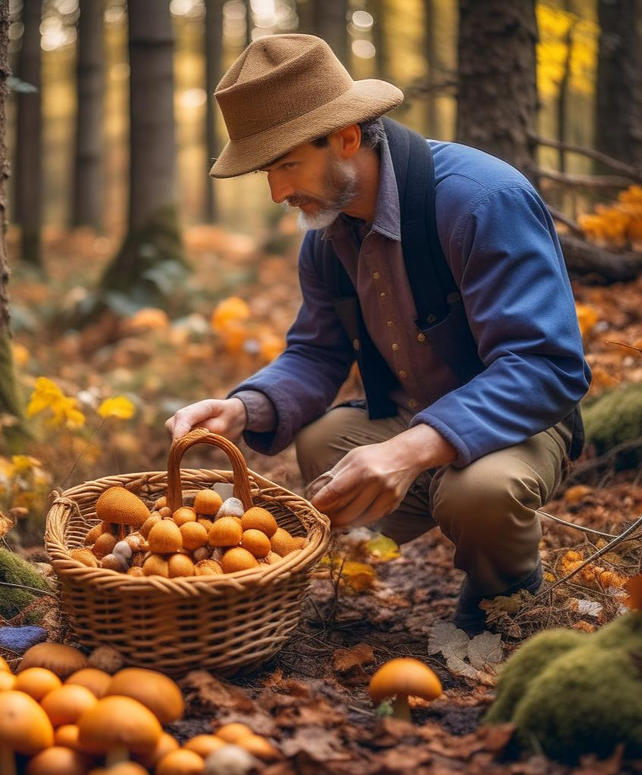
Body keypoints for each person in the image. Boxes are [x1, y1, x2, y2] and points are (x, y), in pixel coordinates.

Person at [166, 34, 590, 635]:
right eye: (269, 170)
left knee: (480, 493)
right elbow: (316, 351)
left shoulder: (479, 201)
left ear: (347, 137)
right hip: (414, 416)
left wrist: (409, 449)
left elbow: (547, 367)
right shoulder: (327, 236)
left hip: (520, 421)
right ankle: (414, 523)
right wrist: (243, 407)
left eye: (287, 164)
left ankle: (508, 591)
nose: (277, 192)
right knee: (320, 440)